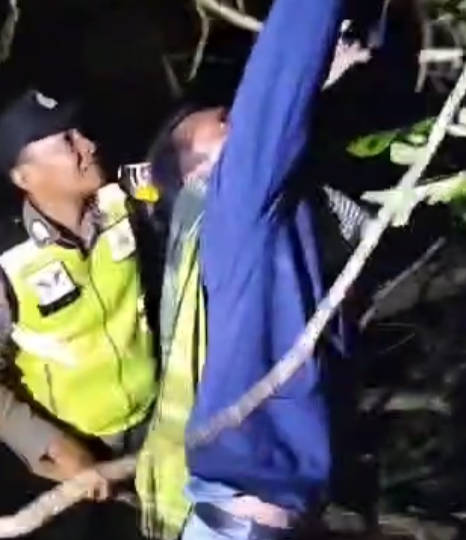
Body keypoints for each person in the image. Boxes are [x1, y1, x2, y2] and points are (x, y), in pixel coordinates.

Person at [134, 0, 354, 538]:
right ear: (197, 171)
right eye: (225, 123)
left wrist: (324, 74)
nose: (240, 122)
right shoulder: (234, 203)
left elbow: (285, 128)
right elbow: (276, 87)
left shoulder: (220, 231)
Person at [0, 89, 158, 534]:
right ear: (25, 176)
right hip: (72, 451)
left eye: (80, 133)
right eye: (67, 141)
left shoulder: (125, 201)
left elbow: (193, 176)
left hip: (154, 423)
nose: (88, 145)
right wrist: (55, 447)